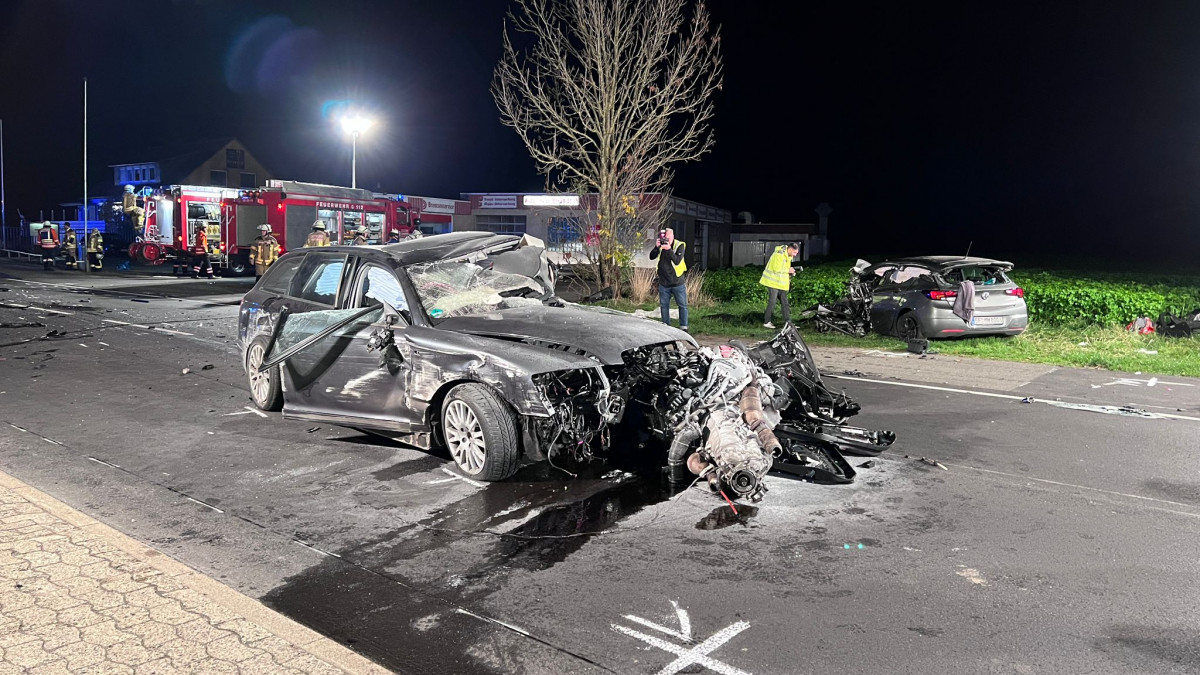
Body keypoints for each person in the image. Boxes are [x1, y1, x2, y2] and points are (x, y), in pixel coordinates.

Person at [648, 227, 688, 331]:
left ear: (673, 237)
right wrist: (657, 247)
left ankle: (684, 327)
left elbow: (677, 261)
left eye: (668, 238)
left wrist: (669, 249)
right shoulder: (661, 246)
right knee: (664, 306)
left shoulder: (680, 245)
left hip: (677, 282)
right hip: (663, 282)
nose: (666, 241)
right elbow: (651, 257)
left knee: (682, 305)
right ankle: (666, 327)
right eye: (664, 238)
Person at [760, 242, 800, 329]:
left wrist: (790, 273)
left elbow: (783, 269)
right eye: (794, 253)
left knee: (785, 303)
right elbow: (776, 269)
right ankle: (766, 322)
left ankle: (788, 323)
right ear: (790, 249)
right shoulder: (779, 254)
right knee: (772, 302)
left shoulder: (788, 256)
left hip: (780, 283)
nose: (795, 255)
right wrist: (788, 270)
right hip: (772, 282)